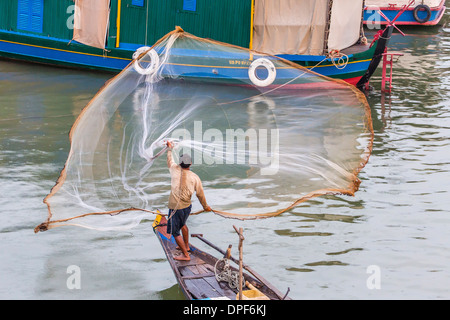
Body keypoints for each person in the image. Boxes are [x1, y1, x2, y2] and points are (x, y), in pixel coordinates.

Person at [166, 141, 211, 261]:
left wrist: (169, 149)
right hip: (186, 207)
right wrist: (206, 207)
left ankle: (185, 255)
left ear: (180, 163)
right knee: (183, 225)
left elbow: (169, 160)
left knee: (175, 232)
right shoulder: (195, 177)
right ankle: (186, 247)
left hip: (175, 208)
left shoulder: (174, 169)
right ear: (190, 163)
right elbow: (200, 194)